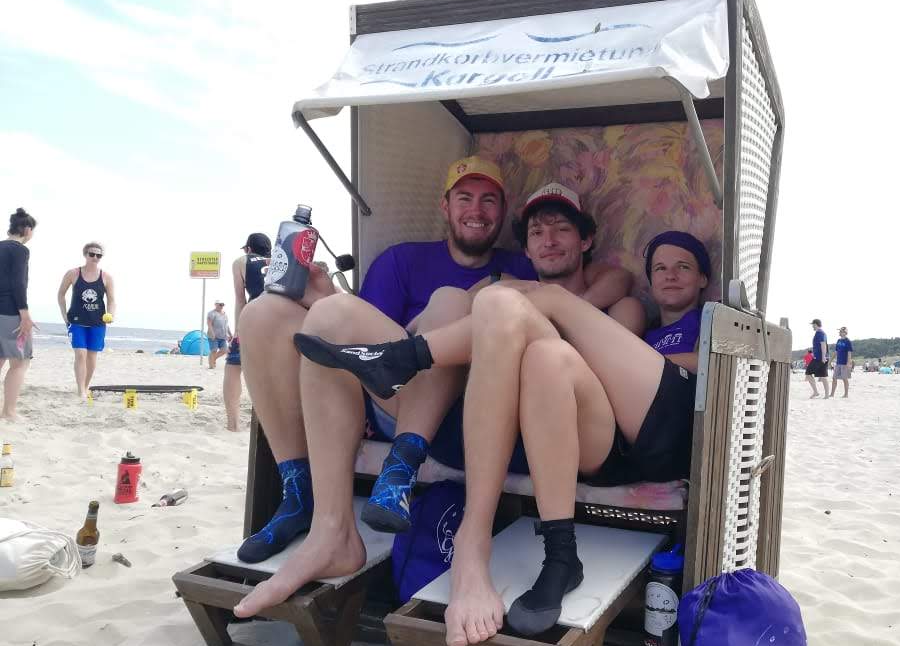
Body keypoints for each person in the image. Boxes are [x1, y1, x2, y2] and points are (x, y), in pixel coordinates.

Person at [247, 230, 711, 646]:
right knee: (494, 313)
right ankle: (331, 528)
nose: (549, 240)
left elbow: (606, 335)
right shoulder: (506, 285)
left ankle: (406, 358)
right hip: (528, 398)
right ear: (525, 249)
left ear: (587, 241)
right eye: (538, 232)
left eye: (562, 230)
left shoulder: (630, 303)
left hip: (631, 416)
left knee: (514, 307)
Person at [231, 160, 633, 565]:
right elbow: (357, 337)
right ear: (445, 207)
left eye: (488, 200)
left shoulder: (520, 268)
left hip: (478, 408)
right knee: (261, 314)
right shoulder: (402, 260)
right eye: (465, 198)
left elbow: (610, 277)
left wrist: (570, 304)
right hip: (398, 392)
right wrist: (323, 294)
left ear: (502, 211)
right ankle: (299, 494)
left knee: (448, 299)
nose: (476, 210)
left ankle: (402, 466)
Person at [56, 242, 117, 398]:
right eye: (92, 254)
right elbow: (61, 294)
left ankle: (86, 385)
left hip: (98, 322)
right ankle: (81, 390)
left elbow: (111, 300)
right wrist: (64, 313)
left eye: (98, 255)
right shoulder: (73, 273)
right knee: (80, 354)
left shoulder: (106, 277)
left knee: (92, 355)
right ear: (85, 255)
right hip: (77, 321)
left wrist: (111, 314)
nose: (95, 257)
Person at [224, 233, 272, 431]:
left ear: (249, 249)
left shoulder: (241, 262)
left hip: (254, 316)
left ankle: (233, 424)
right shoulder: (278, 260)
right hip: (280, 317)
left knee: (234, 367)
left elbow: (240, 300)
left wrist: (237, 330)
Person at [0, 209, 36, 420]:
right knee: (20, 362)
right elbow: (18, 283)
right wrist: (25, 314)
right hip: (10, 312)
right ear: (27, 229)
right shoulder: (20, 250)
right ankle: (9, 412)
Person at [806, 318, 830, 399]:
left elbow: (823, 344)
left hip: (819, 358)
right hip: (820, 357)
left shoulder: (820, 333)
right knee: (823, 376)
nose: (812, 326)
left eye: (813, 325)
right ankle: (825, 395)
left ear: (815, 324)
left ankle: (816, 392)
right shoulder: (820, 333)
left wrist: (823, 356)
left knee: (808, 373)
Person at [206, 301, 231, 369]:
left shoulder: (224, 314)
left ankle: (213, 359)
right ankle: (211, 365)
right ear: (216, 305)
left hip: (223, 336)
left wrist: (230, 334)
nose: (221, 306)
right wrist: (212, 333)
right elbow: (209, 324)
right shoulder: (211, 313)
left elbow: (226, 325)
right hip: (213, 336)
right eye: (220, 304)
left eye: (223, 305)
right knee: (214, 350)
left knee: (224, 350)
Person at [829, 326, 853, 397]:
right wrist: (830, 361)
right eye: (839, 331)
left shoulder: (848, 341)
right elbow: (836, 352)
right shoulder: (838, 341)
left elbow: (849, 353)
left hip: (844, 363)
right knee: (834, 378)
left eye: (841, 331)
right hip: (838, 363)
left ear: (845, 332)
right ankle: (832, 394)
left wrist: (848, 363)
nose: (839, 332)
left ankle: (846, 394)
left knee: (844, 379)